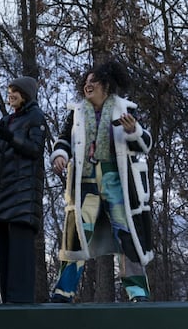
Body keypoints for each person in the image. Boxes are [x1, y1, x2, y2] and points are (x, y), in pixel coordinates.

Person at [49, 60, 153, 303]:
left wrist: (133, 131)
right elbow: (63, 140)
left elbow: (144, 145)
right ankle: (63, 293)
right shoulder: (76, 113)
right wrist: (61, 156)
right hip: (85, 183)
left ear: (106, 85)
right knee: (78, 235)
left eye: (93, 82)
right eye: (86, 82)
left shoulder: (125, 109)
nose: (88, 86)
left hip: (116, 182)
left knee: (127, 234)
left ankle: (138, 292)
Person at [0, 76, 48, 304]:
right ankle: (8, 302)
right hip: (3, 194)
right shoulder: (6, 120)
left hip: (23, 195)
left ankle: (21, 304)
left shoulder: (35, 116)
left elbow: (35, 149)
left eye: (15, 91)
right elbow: (2, 151)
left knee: (21, 256)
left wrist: (10, 137)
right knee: (5, 255)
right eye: (9, 91)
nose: (11, 95)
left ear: (26, 94)